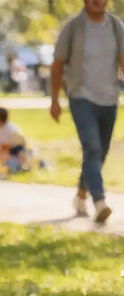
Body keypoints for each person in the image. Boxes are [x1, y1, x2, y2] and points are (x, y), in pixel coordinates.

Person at [50, 0, 124, 224]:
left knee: (100, 152)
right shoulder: (73, 27)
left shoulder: (115, 26)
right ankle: (99, 201)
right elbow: (57, 64)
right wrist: (54, 100)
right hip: (81, 96)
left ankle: (81, 194)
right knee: (92, 148)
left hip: (109, 98)